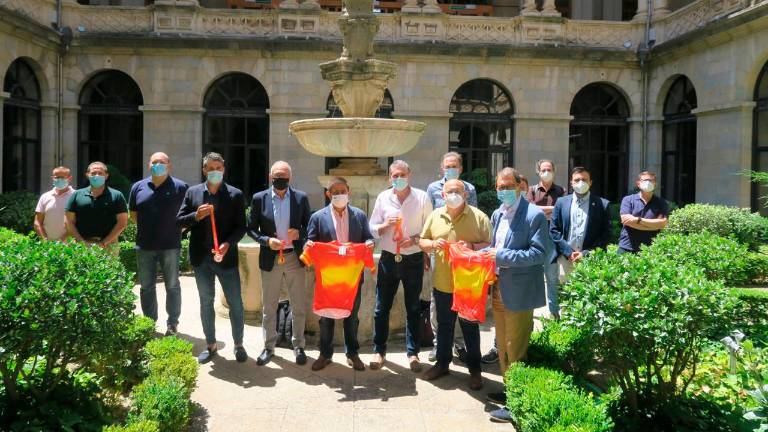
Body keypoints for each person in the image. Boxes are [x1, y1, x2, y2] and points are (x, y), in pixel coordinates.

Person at [483, 167, 553, 423]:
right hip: (499, 287)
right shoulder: (497, 214)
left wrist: (501, 256)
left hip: (520, 290)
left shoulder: (533, 215)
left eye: (507, 186)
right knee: (502, 345)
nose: (503, 191)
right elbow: (495, 246)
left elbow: (539, 254)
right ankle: (509, 389)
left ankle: (518, 404)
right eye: (499, 187)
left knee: (516, 346)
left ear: (519, 187)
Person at [419, 179, 491, 390]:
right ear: (442, 194)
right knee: (444, 326)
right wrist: (432, 244)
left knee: (469, 328)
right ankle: (442, 364)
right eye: (449, 191)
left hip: (469, 286)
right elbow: (422, 241)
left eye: (457, 191)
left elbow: (490, 245)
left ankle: (475, 370)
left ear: (466, 194)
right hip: (443, 282)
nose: (453, 195)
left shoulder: (478, 217)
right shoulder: (435, 216)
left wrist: (472, 246)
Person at [177, 152, 247, 364]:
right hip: (201, 259)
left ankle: (238, 344)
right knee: (206, 302)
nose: (215, 171)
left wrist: (227, 244)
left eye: (219, 167)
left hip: (226, 258)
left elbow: (241, 227)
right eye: (211, 168)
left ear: (224, 169)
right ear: (204, 170)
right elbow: (180, 220)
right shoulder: (193, 193)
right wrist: (196, 215)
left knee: (235, 303)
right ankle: (211, 345)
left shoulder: (235, 194)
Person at [368, 160, 433, 372]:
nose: (398, 179)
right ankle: (379, 351)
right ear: (389, 177)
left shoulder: (422, 197)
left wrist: (414, 240)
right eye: (394, 176)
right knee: (381, 308)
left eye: (402, 175)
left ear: (409, 174)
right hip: (388, 258)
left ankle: (413, 353)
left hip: (413, 258)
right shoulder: (383, 197)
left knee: (413, 308)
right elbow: (371, 227)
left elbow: (429, 229)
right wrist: (384, 226)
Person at [306, 177, 375, 371]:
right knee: (326, 318)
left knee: (352, 318)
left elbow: (368, 238)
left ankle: (352, 353)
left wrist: (369, 243)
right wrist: (308, 245)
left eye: (342, 191)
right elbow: (310, 242)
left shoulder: (359, 216)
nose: (338, 194)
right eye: (334, 192)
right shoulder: (318, 217)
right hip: (328, 280)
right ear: (328, 194)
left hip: (352, 279)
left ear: (348, 191)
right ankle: (325, 354)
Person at [247, 161, 311, 366]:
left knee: (298, 304)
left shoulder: (301, 198)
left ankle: (299, 345)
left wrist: (299, 233)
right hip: (270, 258)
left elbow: (310, 227)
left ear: (290, 178)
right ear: (270, 177)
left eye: (283, 176)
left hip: (294, 257)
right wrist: (266, 241)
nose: (280, 179)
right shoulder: (259, 199)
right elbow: (251, 229)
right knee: (269, 306)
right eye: (276, 176)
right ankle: (268, 347)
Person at [425, 152, 479, 363]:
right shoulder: (432, 189)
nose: (450, 169)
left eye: (454, 166)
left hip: (463, 257)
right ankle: (439, 345)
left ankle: (459, 344)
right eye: (447, 166)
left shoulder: (470, 189)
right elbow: (428, 222)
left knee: (462, 299)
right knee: (437, 301)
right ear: (442, 168)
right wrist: (427, 252)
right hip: (439, 255)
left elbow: (473, 217)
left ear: (461, 168)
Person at [129, 152, 188, 336]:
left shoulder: (180, 187)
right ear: (149, 165)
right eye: (154, 162)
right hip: (144, 246)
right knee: (146, 287)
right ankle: (149, 322)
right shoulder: (138, 187)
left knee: (172, 285)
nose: (158, 165)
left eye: (161, 162)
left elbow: (188, 214)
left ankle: (172, 324)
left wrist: (178, 231)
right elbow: (133, 215)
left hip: (170, 245)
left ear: (169, 164)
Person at [549, 166, 611, 283]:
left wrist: (585, 254)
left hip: (591, 259)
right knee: (564, 295)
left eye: (584, 179)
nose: (580, 182)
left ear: (590, 182)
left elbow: (606, 234)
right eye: (577, 180)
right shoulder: (561, 202)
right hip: (565, 259)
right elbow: (554, 230)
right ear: (571, 183)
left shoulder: (602, 204)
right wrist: (568, 252)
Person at [527, 159, 565, 319]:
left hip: (552, 236)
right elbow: (529, 210)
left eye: (549, 169)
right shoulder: (532, 190)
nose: (546, 172)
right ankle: (527, 311)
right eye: (543, 169)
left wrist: (541, 209)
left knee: (551, 276)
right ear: (538, 171)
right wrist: (552, 209)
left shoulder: (561, 191)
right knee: (530, 274)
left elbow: (561, 210)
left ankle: (554, 312)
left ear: (554, 171)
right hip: (535, 236)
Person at [65, 162, 128, 253]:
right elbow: (68, 222)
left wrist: (104, 243)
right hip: (80, 246)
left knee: (108, 268)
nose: (97, 176)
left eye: (100, 173)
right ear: (87, 175)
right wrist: (82, 243)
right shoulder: (76, 195)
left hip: (109, 246)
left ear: (106, 176)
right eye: (93, 173)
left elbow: (122, 223)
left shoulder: (117, 195)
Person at [618, 171, 669, 253]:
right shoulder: (628, 200)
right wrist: (652, 226)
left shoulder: (661, 203)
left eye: (650, 180)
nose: (648, 182)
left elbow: (662, 224)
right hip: (627, 247)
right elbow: (626, 220)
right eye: (644, 180)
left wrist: (638, 220)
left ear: (655, 184)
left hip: (650, 249)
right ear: (638, 184)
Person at [34, 166, 74, 241]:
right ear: (53, 178)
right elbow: (37, 222)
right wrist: (45, 241)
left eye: (62, 177)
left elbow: (79, 222)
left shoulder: (76, 196)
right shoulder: (45, 196)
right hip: (49, 246)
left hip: (71, 246)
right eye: (57, 177)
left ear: (70, 178)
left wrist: (63, 240)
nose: (59, 180)